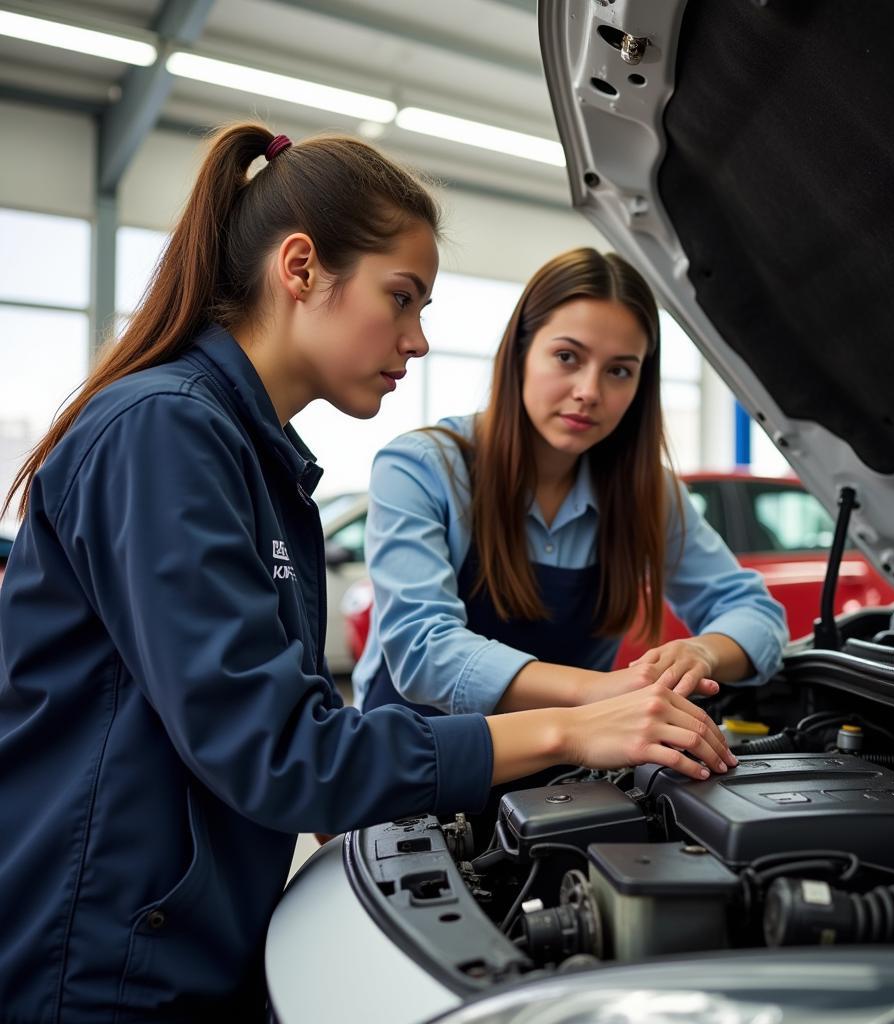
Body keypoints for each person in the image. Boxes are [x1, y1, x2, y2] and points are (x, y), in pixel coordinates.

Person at [0, 127, 735, 1022]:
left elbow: (292, 731)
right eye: (402, 298)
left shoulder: (258, 460)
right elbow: (285, 751)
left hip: (191, 932)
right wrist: (573, 731)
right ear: (301, 268)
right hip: (104, 958)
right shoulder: (163, 434)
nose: (418, 341)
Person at [355, 248, 788, 720]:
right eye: (567, 357)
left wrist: (703, 652)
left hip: (557, 786)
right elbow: (423, 652)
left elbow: (757, 613)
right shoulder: (421, 468)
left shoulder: (649, 494)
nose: (589, 391)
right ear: (520, 351)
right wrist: (605, 692)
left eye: (619, 370)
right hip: (419, 768)